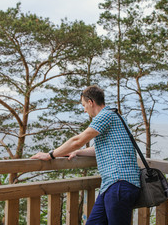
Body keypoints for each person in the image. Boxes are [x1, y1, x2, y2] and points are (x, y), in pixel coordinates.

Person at [31, 85, 141, 225]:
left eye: (84, 105)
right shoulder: (116, 116)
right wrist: (77, 152)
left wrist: (50, 155)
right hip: (112, 184)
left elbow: (77, 140)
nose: (84, 110)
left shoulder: (105, 115)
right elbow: (99, 149)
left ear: (91, 102)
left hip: (119, 183)